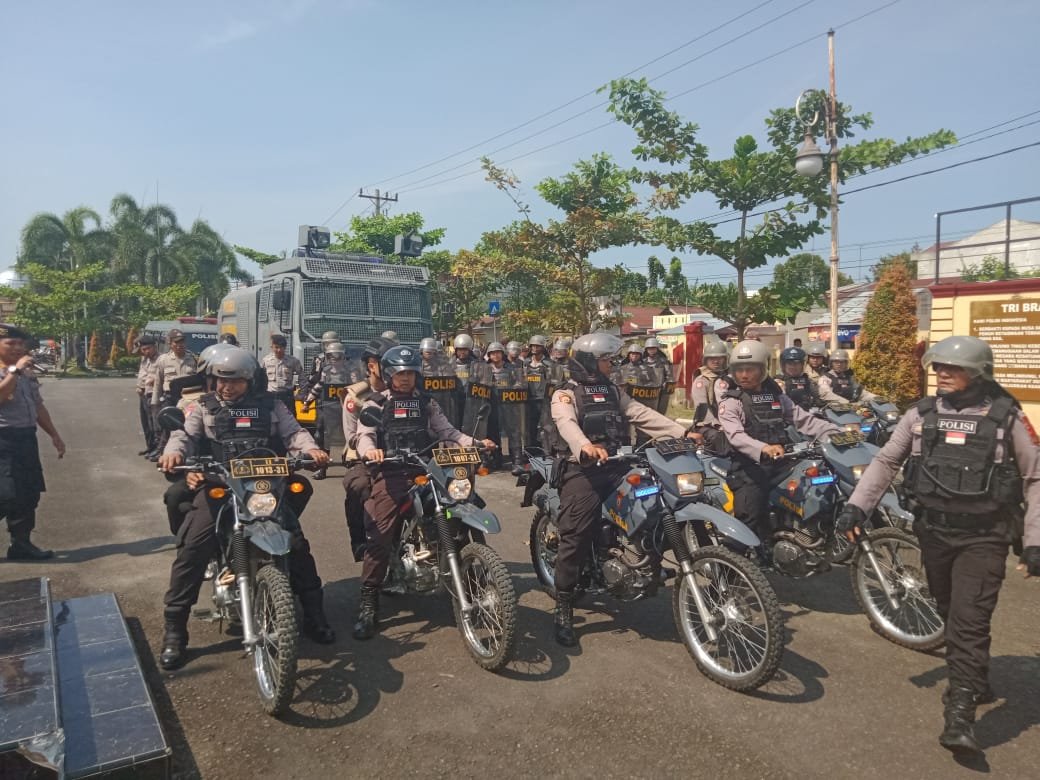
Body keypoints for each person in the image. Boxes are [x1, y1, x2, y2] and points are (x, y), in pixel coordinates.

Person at [836, 335, 1040, 755]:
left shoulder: (1006, 418)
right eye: (938, 367)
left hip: (985, 535)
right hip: (934, 532)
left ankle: (960, 713)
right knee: (948, 609)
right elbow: (887, 461)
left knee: (969, 619)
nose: (942, 374)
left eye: (953, 368)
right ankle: (976, 678)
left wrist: (1035, 540)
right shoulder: (920, 415)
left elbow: (1034, 477)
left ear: (978, 372)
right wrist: (857, 507)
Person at [157, 348, 333, 669]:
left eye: (236, 381)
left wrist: (312, 450)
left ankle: (314, 615)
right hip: (220, 488)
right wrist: (174, 455)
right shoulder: (202, 407)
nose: (228, 387)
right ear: (211, 380)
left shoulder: (272, 406)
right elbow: (181, 436)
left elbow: (294, 433)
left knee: (296, 543)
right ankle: (175, 630)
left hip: (264, 487)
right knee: (193, 547)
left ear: (250, 380)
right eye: (221, 380)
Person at [544, 332, 700, 647]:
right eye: (606, 359)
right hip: (582, 469)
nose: (611, 364)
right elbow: (566, 424)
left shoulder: (614, 391)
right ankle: (563, 603)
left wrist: (682, 431)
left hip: (616, 464)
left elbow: (642, 415)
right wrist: (585, 446)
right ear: (588, 362)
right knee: (575, 532)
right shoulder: (566, 393)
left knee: (655, 501)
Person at [352, 345, 496, 639]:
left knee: (459, 505)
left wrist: (475, 443)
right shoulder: (375, 404)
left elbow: (449, 432)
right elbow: (363, 437)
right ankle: (369, 601)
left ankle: (468, 577)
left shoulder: (428, 403)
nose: (405, 379)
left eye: (410, 373)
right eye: (400, 373)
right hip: (391, 472)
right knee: (380, 534)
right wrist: (371, 452)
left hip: (426, 469)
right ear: (390, 374)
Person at [717, 340, 838, 544]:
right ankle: (732, 568)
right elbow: (736, 436)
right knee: (748, 519)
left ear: (764, 369)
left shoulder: (777, 398)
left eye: (751, 369)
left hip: (782, 463)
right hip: (749, 468)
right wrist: (763, 448)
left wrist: (836, 432)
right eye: (739, 370)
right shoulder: (731, 402)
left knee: (819, 487)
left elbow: (804, 420)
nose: (744, 375)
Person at [0, 324, 65, 560]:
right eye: (11, 343)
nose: (18, 348)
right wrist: (14, 372)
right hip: (3, 440)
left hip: (25, 438)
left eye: (21, 344)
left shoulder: (27, 372)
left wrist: (54, 435)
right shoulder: (15, 371)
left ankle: (21, 544)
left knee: (29, 492)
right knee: (6, 494)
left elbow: (37, 405)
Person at [341, 336, 396, 562]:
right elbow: (353, 437)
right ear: (372, 365)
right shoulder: (356, 396)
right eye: (387, 363)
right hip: (363, 458)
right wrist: (371, 448)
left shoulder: (403, 388)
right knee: (360, 486)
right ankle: (361, 542)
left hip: (399, 454)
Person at [151, 329, 198, 461]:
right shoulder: (163, 360)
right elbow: (158, 382)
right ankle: (163, 453)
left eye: (182, 341)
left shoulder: (193, 358)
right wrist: (155, 403)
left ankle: (188, 453)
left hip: (188, 399)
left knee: (188, 426)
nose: (180, 345)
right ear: (170, 343)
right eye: (176, 342)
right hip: (170, 399)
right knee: (167, 427)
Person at [690, 340, 730, 452]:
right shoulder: (702, 380)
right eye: (712, 358)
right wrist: (719, 425)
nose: (716, 361)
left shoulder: (730, 377)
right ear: (706, 360)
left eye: (719, 358)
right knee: (718, 437)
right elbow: (703, 409)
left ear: (725, 359)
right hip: (707, 424)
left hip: (729, 421)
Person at [262, 334, 304, 413]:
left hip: (287, 397)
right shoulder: (266, 361)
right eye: (276, 347)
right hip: (271, 396)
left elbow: (302, 378)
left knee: (290, 422)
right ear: (272, 347)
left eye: (281, 347)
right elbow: (260, 378)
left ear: (285, 347)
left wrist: (302, 394)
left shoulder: (293, 361)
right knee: (271, 422)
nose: (279, 350)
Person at [135, 335, 160, 456]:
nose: (146, 351)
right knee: (145, 423)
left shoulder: (161, 360)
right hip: (143, 395)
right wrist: (139, 386)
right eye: (143, 349)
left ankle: (158, 448)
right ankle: (150, 446)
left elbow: (163, 376)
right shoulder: (144, 359)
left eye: (148, 348)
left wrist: (153, 380)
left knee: (154, 423)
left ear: (155, 347)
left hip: (154, 395)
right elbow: (142, 374)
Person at [777, 347, 821, 412]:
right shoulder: (779, 381)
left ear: (802, 365)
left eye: (796, 364)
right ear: (783, 365)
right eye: (789, 363)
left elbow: (820, 396)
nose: (793, 367)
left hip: (807, 415)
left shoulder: (808, 381)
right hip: (787, 416)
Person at [642, 337, 675, 416]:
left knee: (660, 412)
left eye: (653, 348)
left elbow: (670, 375)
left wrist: (666, 384)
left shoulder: (663, 361)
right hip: (647, 391)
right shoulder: (643, 362)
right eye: (649, 349)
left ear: (657, 349)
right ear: (646, 350)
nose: (651, 350)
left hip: (661, 390)